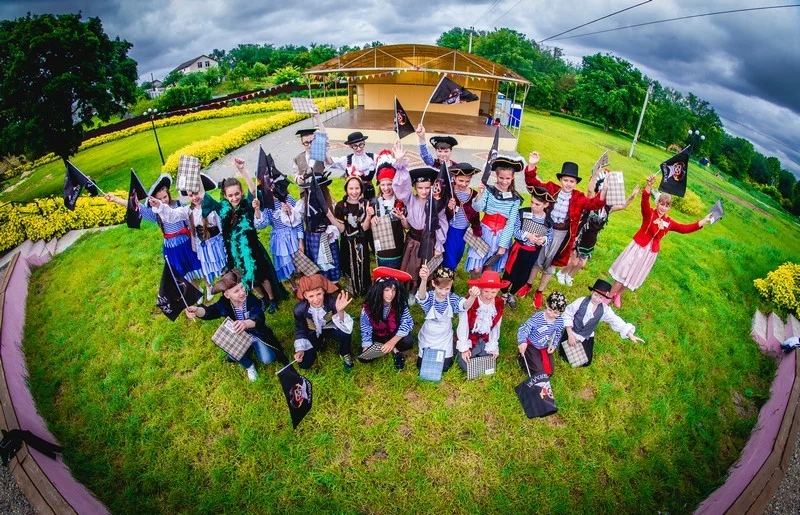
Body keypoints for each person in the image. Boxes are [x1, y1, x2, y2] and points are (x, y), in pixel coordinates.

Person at [608, 173, 712, 307]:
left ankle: (618, 294)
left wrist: (703, 221)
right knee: (624, 272)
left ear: (669, 207)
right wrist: (649, 186)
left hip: (650, 253)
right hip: (638, 248)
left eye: (667, 206)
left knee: (634, 275)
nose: (663, 208)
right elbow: (644, 202)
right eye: (661, 204)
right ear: (657, 203)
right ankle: (609, 296)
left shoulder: (669, 222)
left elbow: (684, 229)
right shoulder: (649, 214)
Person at [524, 152, 605, 308]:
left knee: (551, 263)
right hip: (545, 229)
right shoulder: (551, 188)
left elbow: (594, 204)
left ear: (575, 182)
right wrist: (532, 165)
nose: (568, 184)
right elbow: (533, 184)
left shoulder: (578, 197)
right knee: (537, 258)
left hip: (562, 236)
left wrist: (604, 190)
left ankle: (539, 291)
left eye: (572, 181)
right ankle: (528, 284)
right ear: (561, 180)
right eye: (566, 180)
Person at [186, 271, 289, 382]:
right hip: (238, 337)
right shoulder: (224, 303)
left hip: (256, 334)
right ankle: (249, 366)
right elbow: (209, 312)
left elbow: (259, 317)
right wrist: (196, 310)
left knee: (268, 359)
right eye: (236, 291)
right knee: (230, 347)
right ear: (227, 295)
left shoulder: (251, 299)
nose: (242, 292)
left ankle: (251, 348)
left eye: (242, 287)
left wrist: (245, 323)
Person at [104, 174, 203, 286]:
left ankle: (208, 286)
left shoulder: (178, 204)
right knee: (182, 269)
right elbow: (136, 206)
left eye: (165, 197)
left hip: (186, 240)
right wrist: (115, 199)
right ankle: (196, 289)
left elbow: (190, 218)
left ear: (168, 194)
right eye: (159, 199)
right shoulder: (155, 213)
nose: (163, 201)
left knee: (196, 262)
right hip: (172, 245)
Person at [147, 173, 225, 301]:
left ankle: (229, 291)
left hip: (218, 246)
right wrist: (159, 205)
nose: (194, 197)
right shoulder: (188, 210)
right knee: (214, 272)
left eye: (196, 193)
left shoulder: (213, 207)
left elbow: (222, 226)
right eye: (191, 195)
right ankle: (224, 294)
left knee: (224, 271)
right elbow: (172, 215)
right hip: (205, 249)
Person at [557, 174, 640, 287]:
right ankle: (562, 273)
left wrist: (631, 197)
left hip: (591, 239)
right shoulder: (592, 202)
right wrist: (595, 174)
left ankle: (569, 275)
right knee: (574, 261)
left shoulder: (608, 208)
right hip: (581, 235)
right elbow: (590, 190)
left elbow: (622, 206)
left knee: (581, 264)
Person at [391, 141, 448, 299]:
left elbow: (442, 224)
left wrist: (439, 245)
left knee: (426, 266)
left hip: (430, 240)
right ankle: (411, 290)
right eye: (420, 188)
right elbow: (401, 187)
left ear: (432, 187)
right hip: (414, 240)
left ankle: (424, 289)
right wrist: (400, 164)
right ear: (415, 188)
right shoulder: (410, 199)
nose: (424, 191)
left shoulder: (436, 203)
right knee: (412, 265)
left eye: (427, 188)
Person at [560, 279, 644, 367]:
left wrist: (630, 334)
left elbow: (615, 320)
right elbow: (568, 314)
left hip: (585, 335)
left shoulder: (604, 310)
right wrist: (570, 335)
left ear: (604, 298)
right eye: (595, 295)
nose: (597, 299)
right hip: (572, 332)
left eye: (601, 297)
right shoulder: (581, 301)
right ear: (592, 292)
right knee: (567, 357)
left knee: (585, 362)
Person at [464, 155, 523, 276]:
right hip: (485, 232)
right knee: (476, 269)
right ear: (496, 175)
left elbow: (511, 222)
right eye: (501, 177)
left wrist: (503, 245)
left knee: (490, 268)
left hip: (501, 235)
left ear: (513, 177)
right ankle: (474, 287)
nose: (504, 181)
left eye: (508, 178)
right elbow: (477, 208)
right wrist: (480, 193)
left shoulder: (515, 198)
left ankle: (485, 287)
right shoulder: (489, 190)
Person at [415, 265, 476, 373]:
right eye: (440, 288)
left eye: (447, 289)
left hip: (444, 338)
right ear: (433, 284)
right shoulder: (430, 296)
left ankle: (451, 349)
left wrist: (472, 297)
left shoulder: (452, 298)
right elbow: (421, 296)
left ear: (451, 284)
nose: (443, 293)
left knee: (445, 367)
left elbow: (464, 306)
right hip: (428, 338)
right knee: (422, 366)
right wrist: (424, 280)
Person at [501, 186, 554, 309]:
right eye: (532, 202)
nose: (533, 206)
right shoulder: (522, 213)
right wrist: (528, 235)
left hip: (532, 253)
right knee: (510, 273)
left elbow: (549, 236)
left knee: (523, 276)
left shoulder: (548, 221)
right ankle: (504, 293)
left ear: (546, 205)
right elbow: (514, 229)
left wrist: (543, 240)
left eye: (537, 204)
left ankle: (512, 293)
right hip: (519, 249)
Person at [292, 274, 355, 370]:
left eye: (319, 294)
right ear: (305, 296)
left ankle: (345, 352)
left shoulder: (332, 302)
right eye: (311, 296)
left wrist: (340, 311)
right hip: (312, 331)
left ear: (323, 292)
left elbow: (344, 324)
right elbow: (300, 329)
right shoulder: (299, 309)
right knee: (304, 364)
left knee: (345, 333)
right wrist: (300, 349)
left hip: (330, 327)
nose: (316, 299)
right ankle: (320, 342)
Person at [359, 267, 415, 370]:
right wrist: (366, 346)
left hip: (394, 332)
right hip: (377, 334)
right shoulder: (368, 307)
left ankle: (395, 350)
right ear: (379, 290)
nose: (391, 294)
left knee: (408, 341)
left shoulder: (400, 303)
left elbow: (407, 322)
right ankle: (387, 347)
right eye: (387, 290)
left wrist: (392, 342)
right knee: (364, 357)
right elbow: (365, 327)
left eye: (394, 290)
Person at [295, 170, 341, 282]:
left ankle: (333, 282)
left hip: (328, 238)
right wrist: (301, 241)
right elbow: (297, 222)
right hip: (312, 238)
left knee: (331, 261)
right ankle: (319, 283)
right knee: (316, 263)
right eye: (311, 189)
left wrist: (332, 231)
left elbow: (337, 221)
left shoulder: (330, 202)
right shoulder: (303, 204)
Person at [330, 175, 373, 296]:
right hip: (347, 242)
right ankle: (352, 288)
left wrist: (369, 216)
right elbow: (342, 229)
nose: (354, 192)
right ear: (346, 190)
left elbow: (365, 227)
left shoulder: (365, 204)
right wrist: (330, 216)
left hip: (362, 240)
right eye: (351, 188)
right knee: (348, 263)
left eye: (357, 188)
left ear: (361, 189)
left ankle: (365, 288)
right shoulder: (340, 206)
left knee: (363, 262)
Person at [259, 179, 305, 292]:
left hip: (292, 235)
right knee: (285, 264)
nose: (272, 194)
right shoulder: (267, 205)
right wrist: (257, 211)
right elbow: (262, 224)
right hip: (279, 239)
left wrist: (300, 241)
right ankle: (294, 287)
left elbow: (299, 221)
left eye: (274, 191)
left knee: (300, 265)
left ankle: (304, 284)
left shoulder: (288, 199)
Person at [456, 270, 506, 373]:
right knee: (466, 364)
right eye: (486, 291)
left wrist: (493, 346)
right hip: (469, 336)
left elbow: (496, 326)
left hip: (485, 338)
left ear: (498, 290)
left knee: (490, 363)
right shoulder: (470, 302)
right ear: (480, 289)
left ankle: (481, 357)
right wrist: (464, 348)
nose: (489, 296)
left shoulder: (498, 303)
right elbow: (463, 325)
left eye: (493, 292)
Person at [370, 150, 408, 268]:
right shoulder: (374, 203)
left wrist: (402, 218)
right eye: (383, 184)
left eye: (389, 184)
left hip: (398, 246)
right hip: (382, 248)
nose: (386, 188)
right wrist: (372, 220)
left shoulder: (400, 202)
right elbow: (370, 225)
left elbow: (407, 227)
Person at [442, 162, 482, 271]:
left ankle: (449, 275)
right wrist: (449, 208)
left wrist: (476, 229)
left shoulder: (473, 194)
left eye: (467, 181)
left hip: (464, 231)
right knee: (450, 260)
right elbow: (441, 214)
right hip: (450, 230)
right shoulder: (449, 191)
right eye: (461, 180)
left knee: (458, 255)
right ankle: (447, 277)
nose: (464, 184)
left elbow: (475, 214)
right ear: (454, 178)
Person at [516, 292, 567, 377]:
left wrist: (553, 345)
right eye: (550, 310)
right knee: (538, 372)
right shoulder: (538, 317)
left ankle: (534, 360)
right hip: (532, 345)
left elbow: (557, 334)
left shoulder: (560, 321)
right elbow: (525, 327)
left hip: (544, 346)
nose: (551, 314)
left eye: (555, 313)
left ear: (560, 313)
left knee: (549, 372)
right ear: (546, 304)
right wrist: (522, 341)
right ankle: (521, 359)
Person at [326, 131, 377, 200]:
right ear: (350, 146)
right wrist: (324, 152)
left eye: (361, 145)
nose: (359, 148)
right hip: (353, 194)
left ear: (364, 143)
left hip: (369, 194)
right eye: (355, 146)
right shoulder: (347, 160)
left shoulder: (372, 157)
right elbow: (331, 162)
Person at [292, 109, 327, 179]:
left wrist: (318, 119)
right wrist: (299, 179)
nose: (310, 145)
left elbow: (324, 137)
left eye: (311, 142)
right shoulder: (297, 158)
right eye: (306, 143)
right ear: (302, 143)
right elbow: (295, 174)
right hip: (305, 186)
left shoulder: (320, 154)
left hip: (320, 185)